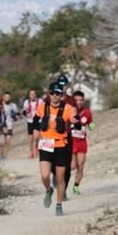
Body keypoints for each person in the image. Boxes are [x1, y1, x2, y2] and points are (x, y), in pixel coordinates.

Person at [33, 82, 77, 216]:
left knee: (60, 178)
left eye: (58, 93)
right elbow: (35, 121)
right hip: (46, 145)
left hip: (61, 146)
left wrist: (76, 121)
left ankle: (59, 204)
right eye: (52, 93)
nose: (55, 96)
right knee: (45, 175)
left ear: (61, 95)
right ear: (49, 94)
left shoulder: (67, 108)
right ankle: (48, 189)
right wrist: (36, 133)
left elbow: (73, 118)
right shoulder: (42, 107)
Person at [71, 90, 94, 194]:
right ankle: (60, 177)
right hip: (71, 142)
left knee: (80, 165)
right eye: (76, 100)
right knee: (73, 166)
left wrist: (91, 126)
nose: (79, 102)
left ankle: (76, 186)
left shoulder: (87, 112)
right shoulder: (69, 111)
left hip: (82, 142)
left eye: (81, 100)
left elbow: (90, 123)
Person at [22, 89, 40, 158]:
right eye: (31, 94)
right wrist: (26, 114)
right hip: (30, 121)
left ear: (35, 95)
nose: (32, 96)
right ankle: (31, 152)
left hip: (38, 121)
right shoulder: (26, 102)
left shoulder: (39, 101)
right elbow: (24, 111)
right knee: (30, 138)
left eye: (33, 94)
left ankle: (36, 146)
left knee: (37, 136)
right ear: (29, 95)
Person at [1, 91, 18, 160]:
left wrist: (15, 116)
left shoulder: (13, 105)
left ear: (10, 98)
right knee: (2, 141)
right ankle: (2, 155)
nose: (7, 98)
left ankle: (6, 155)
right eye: (6, 97)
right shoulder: (1, 105)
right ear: (3, 97)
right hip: (2, 125)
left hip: (10, 125)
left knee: (8, 141)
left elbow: (17, 116)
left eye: (8, 97)